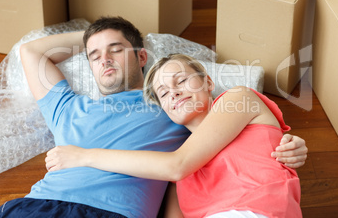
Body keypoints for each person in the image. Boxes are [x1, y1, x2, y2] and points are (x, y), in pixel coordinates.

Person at [0, 16, 307, 218]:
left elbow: (217, 134)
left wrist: (284, 140)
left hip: (112, 213)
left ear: (141, 56)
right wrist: (95, 36)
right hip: (39, 206)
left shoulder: (170, 110)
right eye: (94, 55)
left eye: (116, 50)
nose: (104, 59)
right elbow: (31, 53)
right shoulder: (65, 107)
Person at [45, 53, 304, 218]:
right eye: (164, 93)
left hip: (259, 210)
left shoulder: (237, 99)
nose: (174, 93)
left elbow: (177, 166)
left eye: (180, 81)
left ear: (208, 83)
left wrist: (82, 156)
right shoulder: (176, 176)